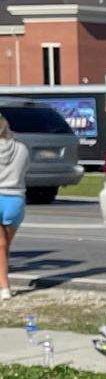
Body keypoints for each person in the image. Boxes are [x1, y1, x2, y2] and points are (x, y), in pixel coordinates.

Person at [0, 114, 28, 300]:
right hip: (16, 199)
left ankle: (5, 287)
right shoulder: (22, 148)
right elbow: (24, 171)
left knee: (0, 247)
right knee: (5, 247)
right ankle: (3, 284)